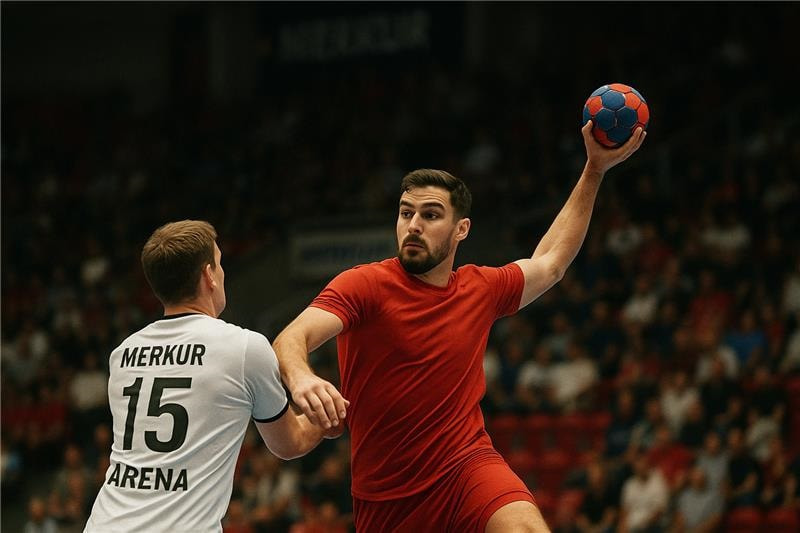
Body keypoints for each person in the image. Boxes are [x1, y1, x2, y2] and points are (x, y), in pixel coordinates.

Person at [274, 123, 645, 532]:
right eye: (405, 213)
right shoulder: (364, 284)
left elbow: (552, 262)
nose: (413, 224)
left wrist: (594, 169)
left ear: (461, 229)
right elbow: (293, 337)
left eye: (431, 215)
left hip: (467, 468)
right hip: (386, 496)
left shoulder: (480, 288)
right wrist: (302, 377)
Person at [84, 220, 342, 532]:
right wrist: (331, 411)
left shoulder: (122, 354)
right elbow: (289, 444)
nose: (222, 274)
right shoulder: (244, 348)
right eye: (219, 265)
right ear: (208, 275)